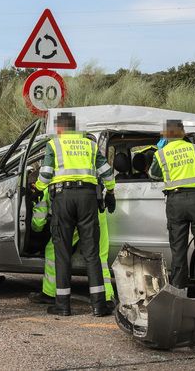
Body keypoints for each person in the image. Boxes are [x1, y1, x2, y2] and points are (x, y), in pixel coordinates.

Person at [34, 112, 116, 317]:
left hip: (63, 198)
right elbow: (106, 172)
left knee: (62, 253)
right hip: (88, 198)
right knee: (92, 253)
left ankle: (63, 305)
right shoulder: (90, 145)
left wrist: (36, 189)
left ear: (60, 129)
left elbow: (44, 175)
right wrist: (111, 192)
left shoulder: (54, 145)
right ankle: (98, 306)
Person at [148, 119, 195, 316]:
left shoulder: (161, 153)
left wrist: (161, 151)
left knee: (179, 251)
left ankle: (179, 300)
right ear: (182, 133)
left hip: (176, 202)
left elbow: (153, 174)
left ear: (166, 135)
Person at [28, 186, 115, 305]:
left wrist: (33, 228)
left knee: (53, 250)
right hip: (97, 210)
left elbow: (38, 223)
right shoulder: (88, 176)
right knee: (99, 256)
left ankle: (49, 293)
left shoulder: (47, 189)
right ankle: (107, 297)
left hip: (71, 211)